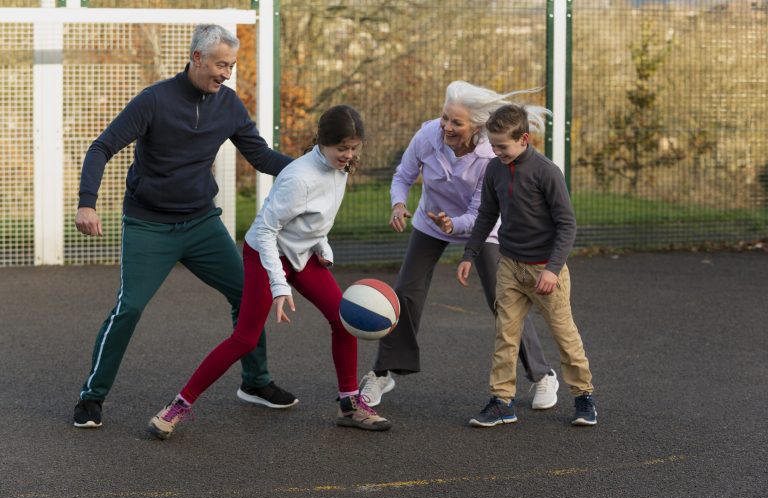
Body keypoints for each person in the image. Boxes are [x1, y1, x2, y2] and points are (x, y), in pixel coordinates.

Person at [72, 24, 298, 429]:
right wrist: (87, 203)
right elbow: (101, 147)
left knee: (249, 293)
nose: (226, 73)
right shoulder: (154, 101)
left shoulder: (228, 105)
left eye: (231, 65)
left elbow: (261, 157)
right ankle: (92, 396)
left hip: (201, 223)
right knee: (130, 307)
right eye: (220, 65)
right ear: (197, 58)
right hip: (148, 225)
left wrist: (314, 166)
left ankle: (256, 381)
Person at [148, 105, 392, 439]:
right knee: (245, 338)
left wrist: (323, 248)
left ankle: (350, 405)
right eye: (342, 149)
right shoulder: (298, 177)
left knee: (343, 319)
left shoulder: (341, 168)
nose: (349, 155)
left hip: (301, 255)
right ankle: (177, 406)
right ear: (322, 141)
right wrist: (279, 285)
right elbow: (265, 231)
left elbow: (318, 221)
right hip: (265, 253)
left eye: (354, 148)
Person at [359, 81, 559, 410]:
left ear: (476, 126)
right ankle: (383, 372)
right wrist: (398, 204)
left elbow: (480, 212)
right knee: (405, 292)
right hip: (430, 222)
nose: (447, 127)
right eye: (444, 118)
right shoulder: (426, 136)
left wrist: (454, 224)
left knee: (504, 299)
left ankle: (542, 375)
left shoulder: (489, 157)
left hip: (482, 226)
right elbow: (403, 176)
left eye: (456, 122)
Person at [458, 104, 597, 427]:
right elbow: (486, 216)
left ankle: (583, 396)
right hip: (510, 266)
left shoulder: (546, 171)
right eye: (493, 145)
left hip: (545, 269)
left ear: (524, 138)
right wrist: (469, 254)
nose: (496, 151)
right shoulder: (494, 169)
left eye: (502, 146)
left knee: (564, 335)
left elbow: (567, 224)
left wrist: (552, 268)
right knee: (505, 335)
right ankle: (502, 401)